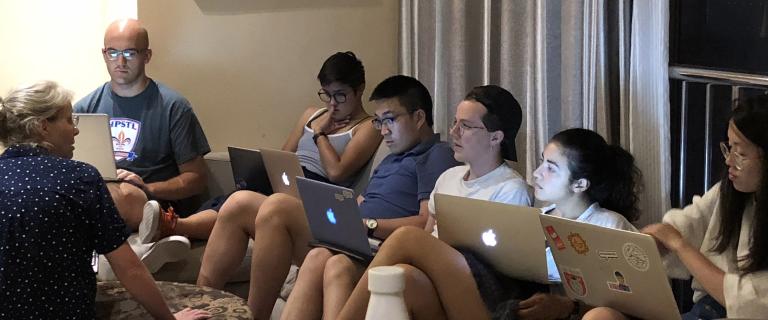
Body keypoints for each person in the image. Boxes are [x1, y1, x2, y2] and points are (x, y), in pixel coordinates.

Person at [197, 75, 460, 318]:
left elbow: (427, 223)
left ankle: (254, 315)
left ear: (419, 117)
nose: (383, 131)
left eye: (389, 120)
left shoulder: (435, 155)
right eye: (379, 121)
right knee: (239, 202)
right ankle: (199, 304)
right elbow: (365, 202)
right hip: (350, 236)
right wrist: (339, 206)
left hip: (376, 245)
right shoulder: (392, 158)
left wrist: (368, 225)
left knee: (277, 207)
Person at [280, 85, 533, 320]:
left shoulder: (510, 189)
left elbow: (505, 271)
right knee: (335, 261)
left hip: (478, 291)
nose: (454, 131)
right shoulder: (449, 177)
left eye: (466, 126)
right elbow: (429, 233)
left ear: (495, 137)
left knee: (407, 238)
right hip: (432, 278)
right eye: (455, 122)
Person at [336, 127, 643, 320]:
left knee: (407, 239)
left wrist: (569, 307)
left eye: (550, 168)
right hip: (502, 301)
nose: (536, 173)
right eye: (540, 162)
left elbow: (627, 305)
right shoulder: (540, 218)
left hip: (517, 310)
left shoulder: (606, 224)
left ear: (579, 184)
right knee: (404, 280)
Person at [0, 81, 209, 320]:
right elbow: (129, 268)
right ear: (42, 127)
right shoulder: (81, 177)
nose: (76, 130)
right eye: (70, 121)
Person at [138, 51, 382, 243]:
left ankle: (174, 227)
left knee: (242, 202)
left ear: (359, 90)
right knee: (233, 197)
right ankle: (176, 229)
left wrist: (320, 133)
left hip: (317, 195)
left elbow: (337, 173)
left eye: (340, 96)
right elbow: (282, 155)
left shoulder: (368, 126)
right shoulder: (311, 113)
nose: (331, 104)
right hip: (289, 183)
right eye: (326, 94)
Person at [583, 96, 768, 320]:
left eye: (740, 153)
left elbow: (747, 302)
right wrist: (644, 246)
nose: (729, 161)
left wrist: (678, 244)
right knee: (601, 316)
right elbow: (689, 221)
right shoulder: (729, 192)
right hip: (705, 311)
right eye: (728, 148)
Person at [75, 18, 211, 231]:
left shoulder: (173, 107)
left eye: (130, 53)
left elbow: (197, 178)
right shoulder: (84, 109)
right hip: (101, 198)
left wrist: (148, 187)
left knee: (125, 195)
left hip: (153, 204)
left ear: (146, 56)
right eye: (112, 52)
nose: (120, 62)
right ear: (104, 54)